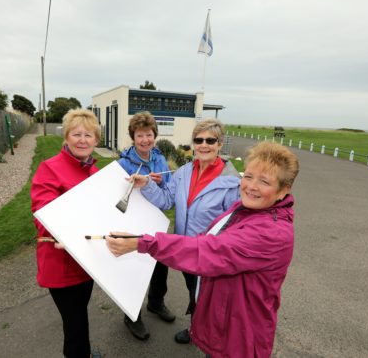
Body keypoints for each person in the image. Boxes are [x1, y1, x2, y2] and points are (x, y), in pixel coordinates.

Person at [106, 141, 300, 358]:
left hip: (240, 335)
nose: (251, 186)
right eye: (248, 176)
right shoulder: (246, 208)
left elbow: (210, 250)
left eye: (264, 181)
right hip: (225, 319)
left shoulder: (270, 233)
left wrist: (143, 243)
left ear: (284, 190)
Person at [127, 118, 241, 344]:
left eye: (211, 140)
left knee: (210, 298)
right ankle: (197, 330)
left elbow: (234, 225)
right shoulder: (184, 172)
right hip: (187, 249)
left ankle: (211, 338)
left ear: (220, 144)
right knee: (194, 291)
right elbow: (167, 199)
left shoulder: (232, 182)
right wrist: (147, 185)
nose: (204, 145)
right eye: (199, 140)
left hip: (212, 254)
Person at [31, 109, 102, 358]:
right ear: (67, 137)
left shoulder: (94, 171)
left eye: (89, 135)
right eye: (77, 134)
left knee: (79, 316)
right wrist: (68, 230)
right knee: (74, 326)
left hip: (86, 261)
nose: (83, 139)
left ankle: (84, 352)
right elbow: (43, 212)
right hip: (62, 264)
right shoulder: (50, 168)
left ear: (96, 140)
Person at [117, 111, 175, 340]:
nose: (145, 140)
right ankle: (131, 316)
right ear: (133, 137)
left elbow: (168, 192)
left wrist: (159, 183)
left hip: (157, 220)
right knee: (134, 269)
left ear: (154, 135)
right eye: (140, 135)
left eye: (149, 135)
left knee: (161, 266)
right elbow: (117, 194)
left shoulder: (159, 158)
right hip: (132, 222)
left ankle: (156, 303)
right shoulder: (123, 163)